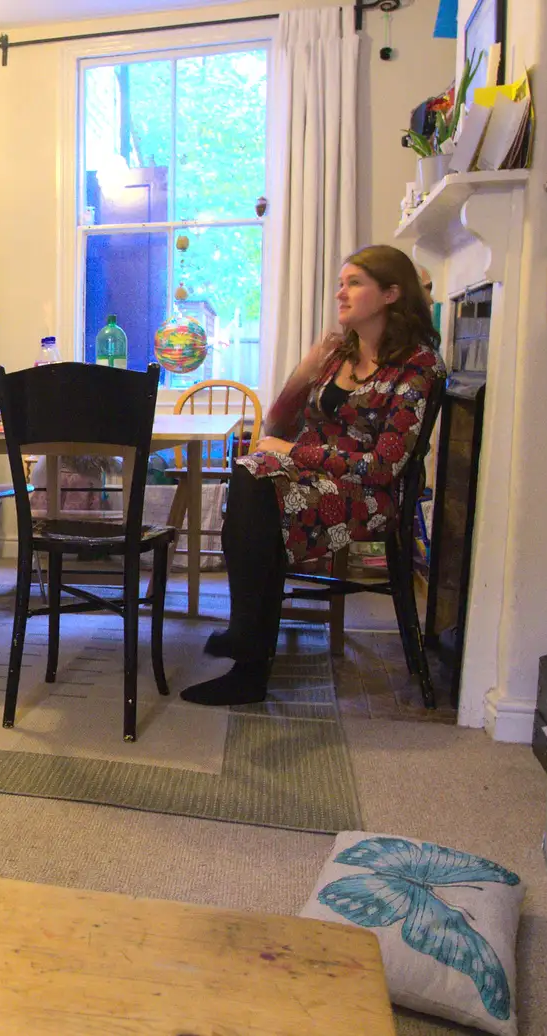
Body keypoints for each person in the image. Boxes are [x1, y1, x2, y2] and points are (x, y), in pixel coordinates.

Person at [180, 244, 446, 707]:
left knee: (258, 488)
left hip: (367, 496)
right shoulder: (336, 355)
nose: (340, 293)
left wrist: (295, 452)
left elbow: (384, 467)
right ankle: (247, 647)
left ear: (390, 294)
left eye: (354, 283)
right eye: (340, 283)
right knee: (251, 474)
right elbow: (275, 428)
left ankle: (248, 656)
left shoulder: (418, 367)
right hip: (308, 482)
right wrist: (304, 371)